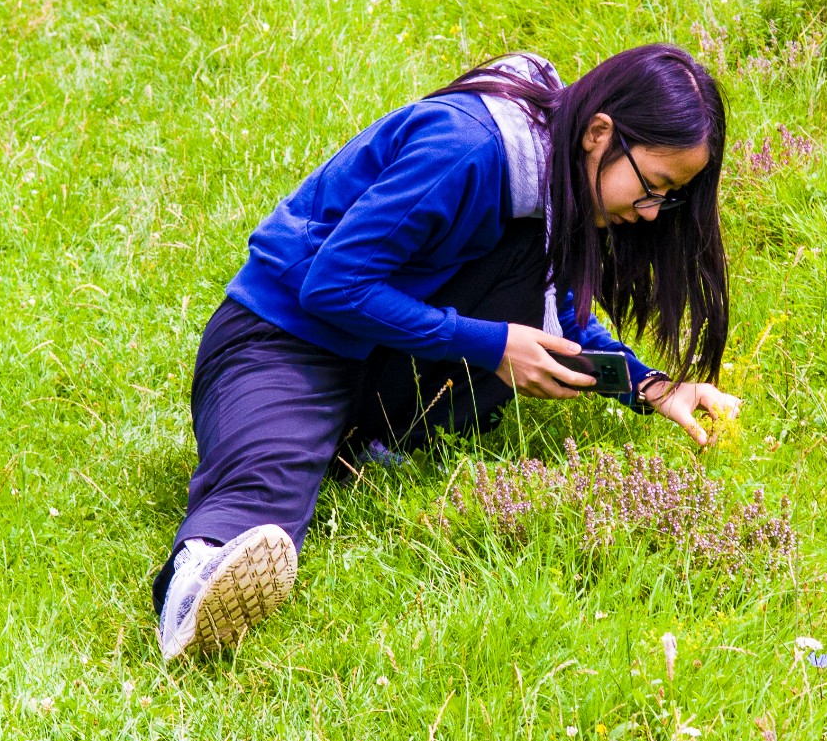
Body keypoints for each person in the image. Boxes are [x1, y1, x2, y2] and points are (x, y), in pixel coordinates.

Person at [155, 46, 742, 661]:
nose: (650, 213)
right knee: (271, 475)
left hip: (379, 352)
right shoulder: (466, 149)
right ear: (600, 133)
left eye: (668, 199)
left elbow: (556, 320)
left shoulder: (552, 183)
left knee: (519, 273)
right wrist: (490, 345)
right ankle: (195, 585)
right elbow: (331, 285)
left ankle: (356, 443)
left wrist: (653, 387)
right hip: (282, 336)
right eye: (654, 186)